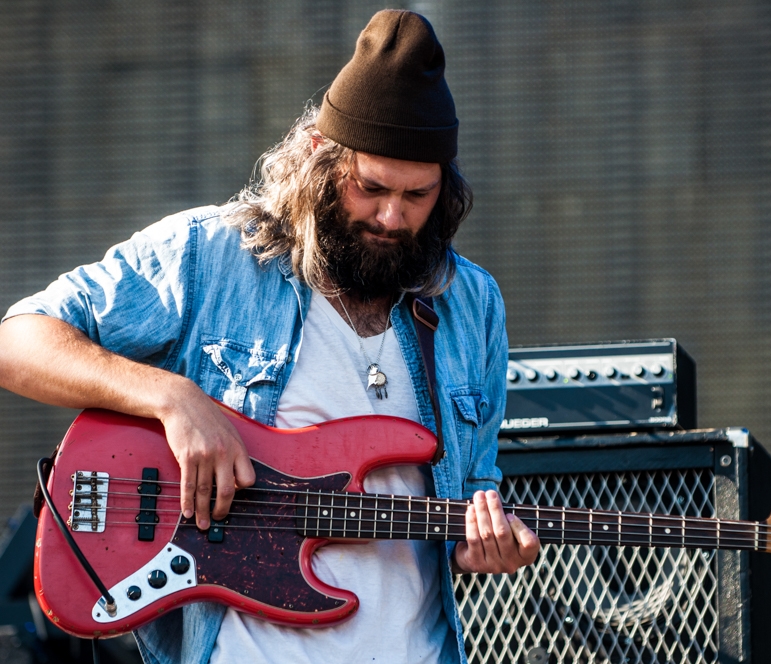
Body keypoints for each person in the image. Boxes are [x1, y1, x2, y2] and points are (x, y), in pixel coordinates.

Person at [0, 9, 538, 664]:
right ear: (320, 158)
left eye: (418, 195)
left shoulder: (469, 304)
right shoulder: (212, 256)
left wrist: (488, 544)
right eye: (371, 188)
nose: (393, 216)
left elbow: (473, 492)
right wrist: (173, 400)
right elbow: (18, 341)